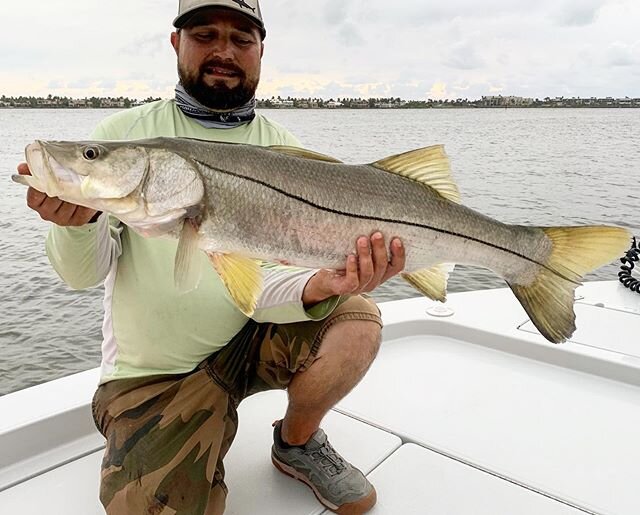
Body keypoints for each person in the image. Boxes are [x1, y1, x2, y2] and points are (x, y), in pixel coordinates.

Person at [18, 1, 405, 513]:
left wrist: (324, 285)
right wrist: (78, 224)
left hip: (251, 335)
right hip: (157, 372)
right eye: (205, 35)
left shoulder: (280, 148)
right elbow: (80, 275)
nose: (224, 51)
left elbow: (262, 287)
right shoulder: (123, 135)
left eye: (241, 39)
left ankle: (296, 442)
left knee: (356, 318)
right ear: (176, 43)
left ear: (261, 51)